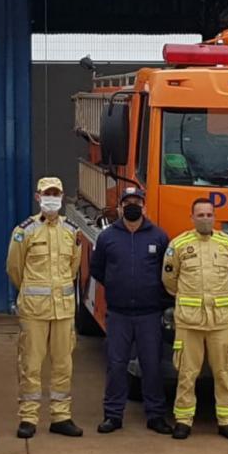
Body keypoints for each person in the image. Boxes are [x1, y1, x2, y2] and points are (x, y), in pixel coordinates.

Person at [6, 177, 83, 439]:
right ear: (38, 197)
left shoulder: (72, 231)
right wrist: (33, 291)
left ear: (62, 197)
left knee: (63, 364)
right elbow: (15, 269)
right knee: (31, 364)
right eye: (47, 193)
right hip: (34, 311)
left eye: (56, 193)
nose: (52, 197)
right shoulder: (24, 230)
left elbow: (74, 267)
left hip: (63, 310)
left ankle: (61, 416)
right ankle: (29, 417)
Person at [91, 186, 173, 435]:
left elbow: (167, 273)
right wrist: (119, 287)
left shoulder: (159, 236)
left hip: (149, 314)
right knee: (116, 366)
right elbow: (97, 270)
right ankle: (113, 416)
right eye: (127, 202)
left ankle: (156, 415)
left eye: (137, 201)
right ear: (120, 207)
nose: (132, 206)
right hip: (119, 314)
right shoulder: (107, 238)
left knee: (152, 366)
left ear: (144, 206)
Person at [162, 198, 228, 440]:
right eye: (200, 214)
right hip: (189, 321)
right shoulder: (178, 245)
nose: (205, 218)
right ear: (192, 217)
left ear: (214, 217)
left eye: (209, 214)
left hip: (220, 321)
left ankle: (227, 421)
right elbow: (169, 280)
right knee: (187, 373)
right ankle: (183, 421)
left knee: (223, 373)